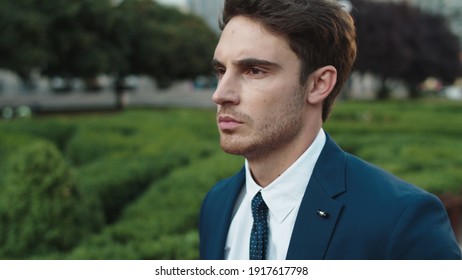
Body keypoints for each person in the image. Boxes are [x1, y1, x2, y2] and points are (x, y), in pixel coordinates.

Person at [199, 0, 461, 260]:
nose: (220, 94)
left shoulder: (400, 219)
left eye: (254, 70)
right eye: (221, 70)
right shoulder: (218, 203)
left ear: (318, 85)